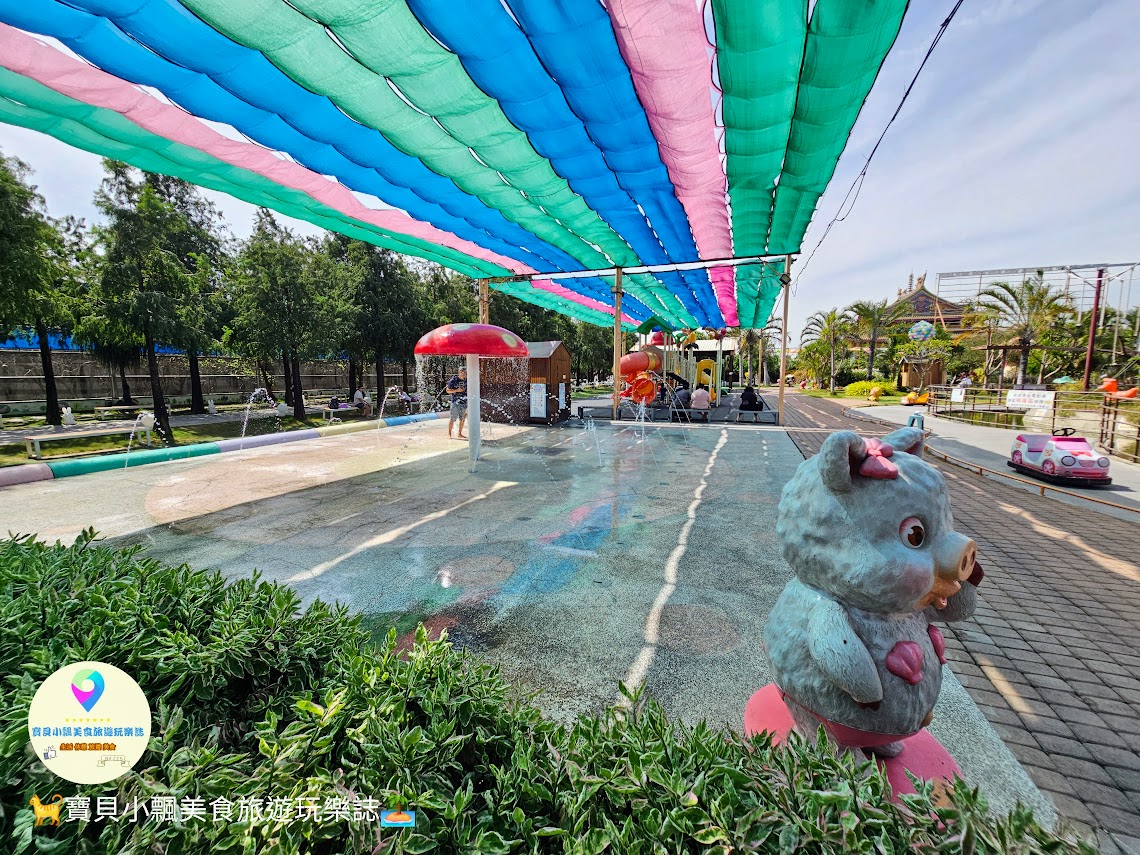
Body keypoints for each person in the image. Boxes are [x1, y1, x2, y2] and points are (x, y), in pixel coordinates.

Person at [446, 368, 467, 439]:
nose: (463, 373)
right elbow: (448, 390)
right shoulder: (454, 380)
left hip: (464, 403)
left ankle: (459, 433)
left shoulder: (467, 380)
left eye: (464, 372)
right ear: (459, 372)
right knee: (452, 419)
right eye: (462, 372)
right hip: (455, 402)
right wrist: (457, 390)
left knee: (462, 419)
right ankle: (449, 434)